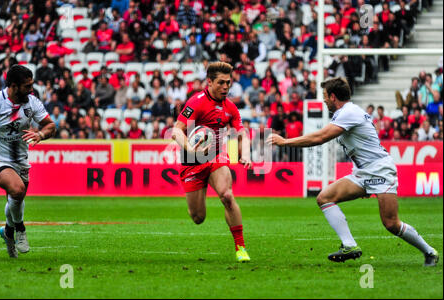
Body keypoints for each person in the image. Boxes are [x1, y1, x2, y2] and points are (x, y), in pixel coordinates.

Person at [267, 77, 439, 266]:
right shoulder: (347, 113)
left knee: (391, 223)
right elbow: (360, 146)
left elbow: (320, 137)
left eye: (325, 96)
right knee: (324, 197)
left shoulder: (348, 112)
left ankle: (430, 252)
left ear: (333, 97)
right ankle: (350, 245)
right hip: (363, 172)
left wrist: (285, 141)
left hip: (380, 170)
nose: (324, 100)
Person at [171, 62, 252, 263]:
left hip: (215, 155)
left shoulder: (230, 107)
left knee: (226, 195)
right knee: (198, 218)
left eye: (228, 82)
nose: (226, 87)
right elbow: (176, 130)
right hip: (192, 160)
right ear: (209, 82)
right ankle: (201, 189)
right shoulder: (196, 102)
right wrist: (192, 149)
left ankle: (240, 247)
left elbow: (243, 132)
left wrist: (247, 154)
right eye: (221, 83)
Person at [0, 65, 56, 258]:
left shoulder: (32, 102)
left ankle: (8, 231)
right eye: (27, 86)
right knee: (17, 189)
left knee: (16, 198)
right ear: (13, 86)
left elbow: (50, 125)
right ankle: (20, 229)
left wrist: (40, 134)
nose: (31, 90)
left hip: (20, 160)